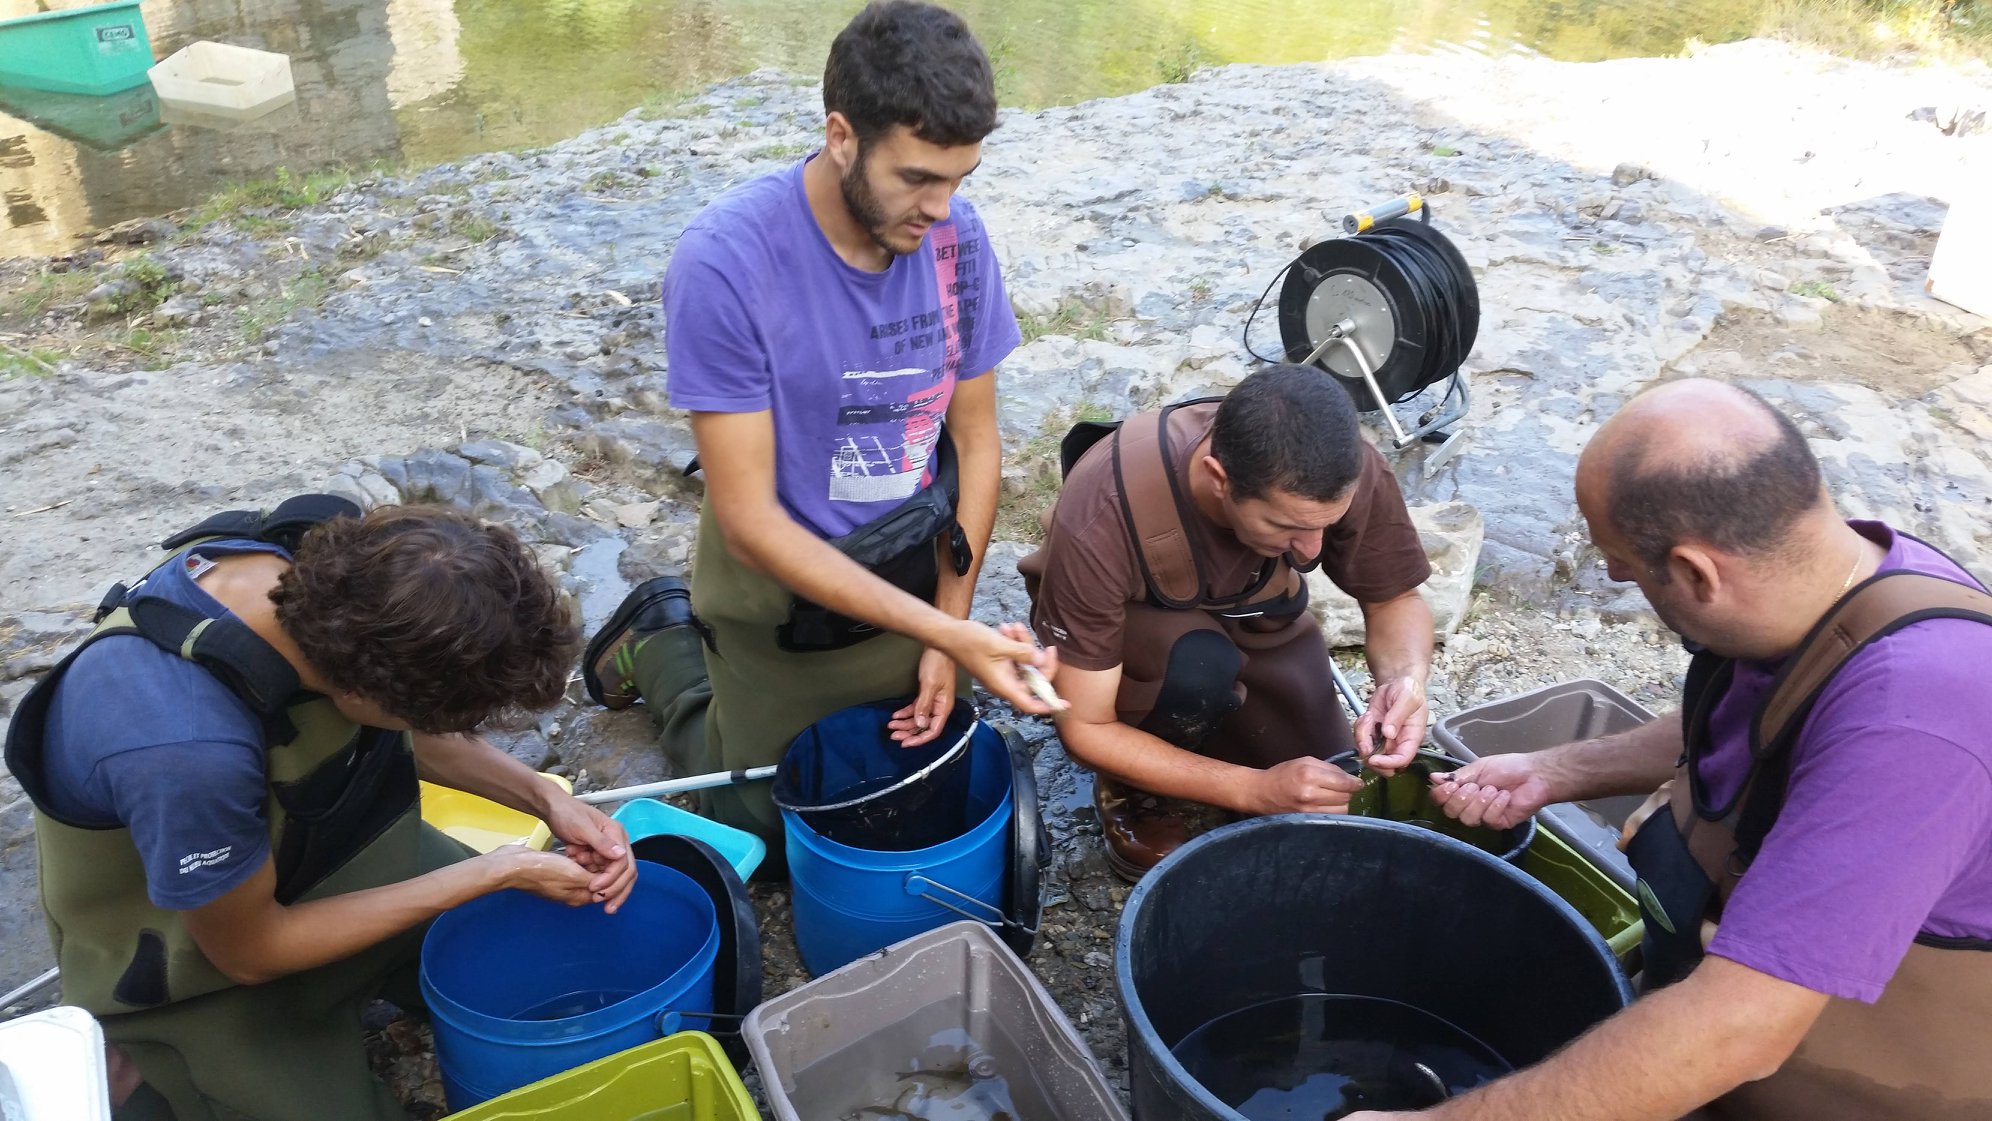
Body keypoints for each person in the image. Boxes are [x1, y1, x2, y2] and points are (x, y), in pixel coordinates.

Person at [1348, 378, 1992, 1121]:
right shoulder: (1820, 581)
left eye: (1619, 562)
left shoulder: (1913, 726)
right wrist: (1551, 770)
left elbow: (1737, 1027)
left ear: (1695, 571)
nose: (1615, 577)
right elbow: (1752, 717)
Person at [582, 0, 1056, 862]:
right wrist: (953, 637)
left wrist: (947, 633)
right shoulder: (728, 263)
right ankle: (662, 642)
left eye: (960, 179)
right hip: (778, 577)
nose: (942, 210)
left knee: (904, 780)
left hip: (912, 560)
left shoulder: (957, 240)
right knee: (767, 820)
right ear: (842, 135)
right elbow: (752, 521)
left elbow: (979, 443)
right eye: (916, 178)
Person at [3, 499, 635, 1121]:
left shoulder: (337, 576)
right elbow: (251, 952)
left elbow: (416, 723)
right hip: (206, 969)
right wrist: (493, 871)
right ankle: (154, 1079)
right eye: (436, 716)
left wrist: (547, 798)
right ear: (355, 691)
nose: (450, 729)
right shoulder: (186, 750)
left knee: (543, 952)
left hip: (350, 853)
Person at [1017, 363, 1437, 881]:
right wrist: (1251, 789)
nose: (1313, 549)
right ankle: (1130, 786)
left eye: (1326, 526)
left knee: (1328, 786)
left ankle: (1218, 744)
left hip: (1256, 617)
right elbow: (1085, 725)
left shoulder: (1341, 468)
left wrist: (1404, 680)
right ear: (1219, 479)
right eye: (1289, 527)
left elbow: (1395, 597)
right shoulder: (1100, 513)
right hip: (1141, 636)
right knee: (1196, 667)